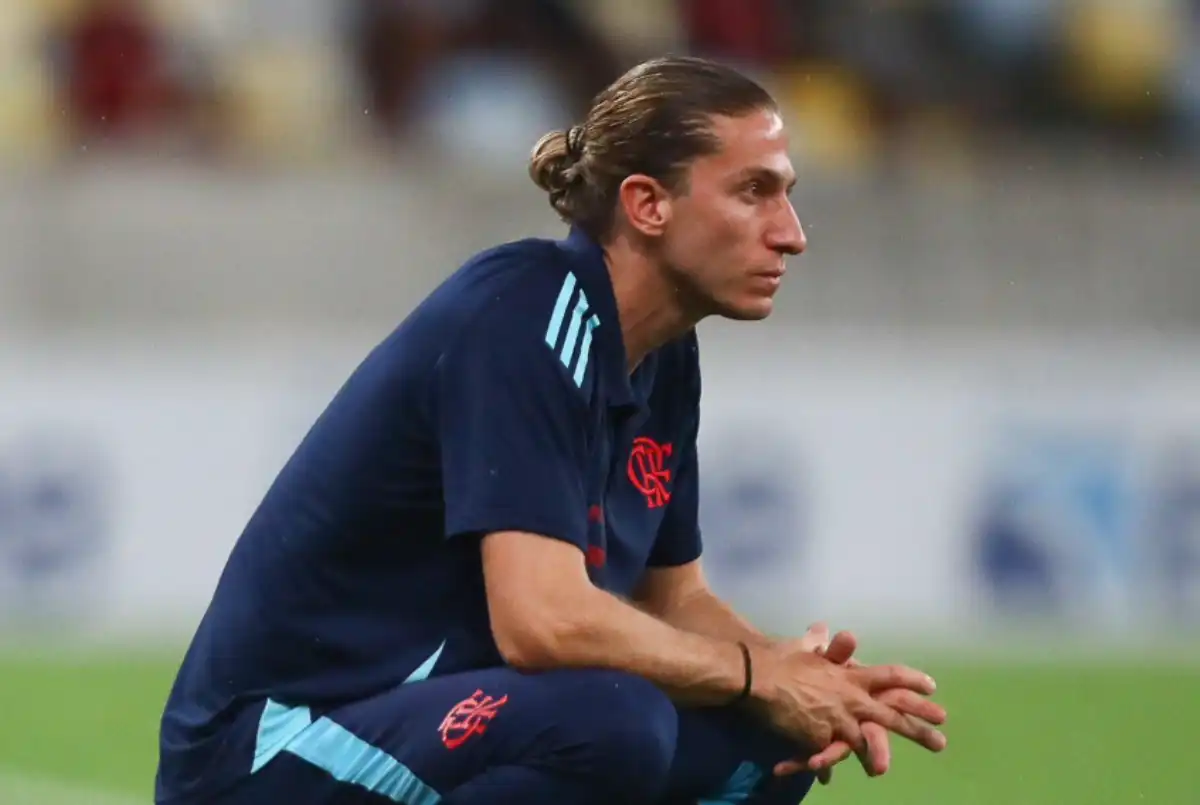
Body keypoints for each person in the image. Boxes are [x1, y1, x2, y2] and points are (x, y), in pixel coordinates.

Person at [154, 56, 947, 805]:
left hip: (425, 729)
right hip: (276, 748)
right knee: (611, 722)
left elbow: (674, 597)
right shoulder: (522, 312)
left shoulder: (663, 358)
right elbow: (541, 621)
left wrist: (795, 677)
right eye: (754, 191)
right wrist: (755, 671)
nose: (792, 232)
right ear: (647, 204)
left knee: (769, 746)